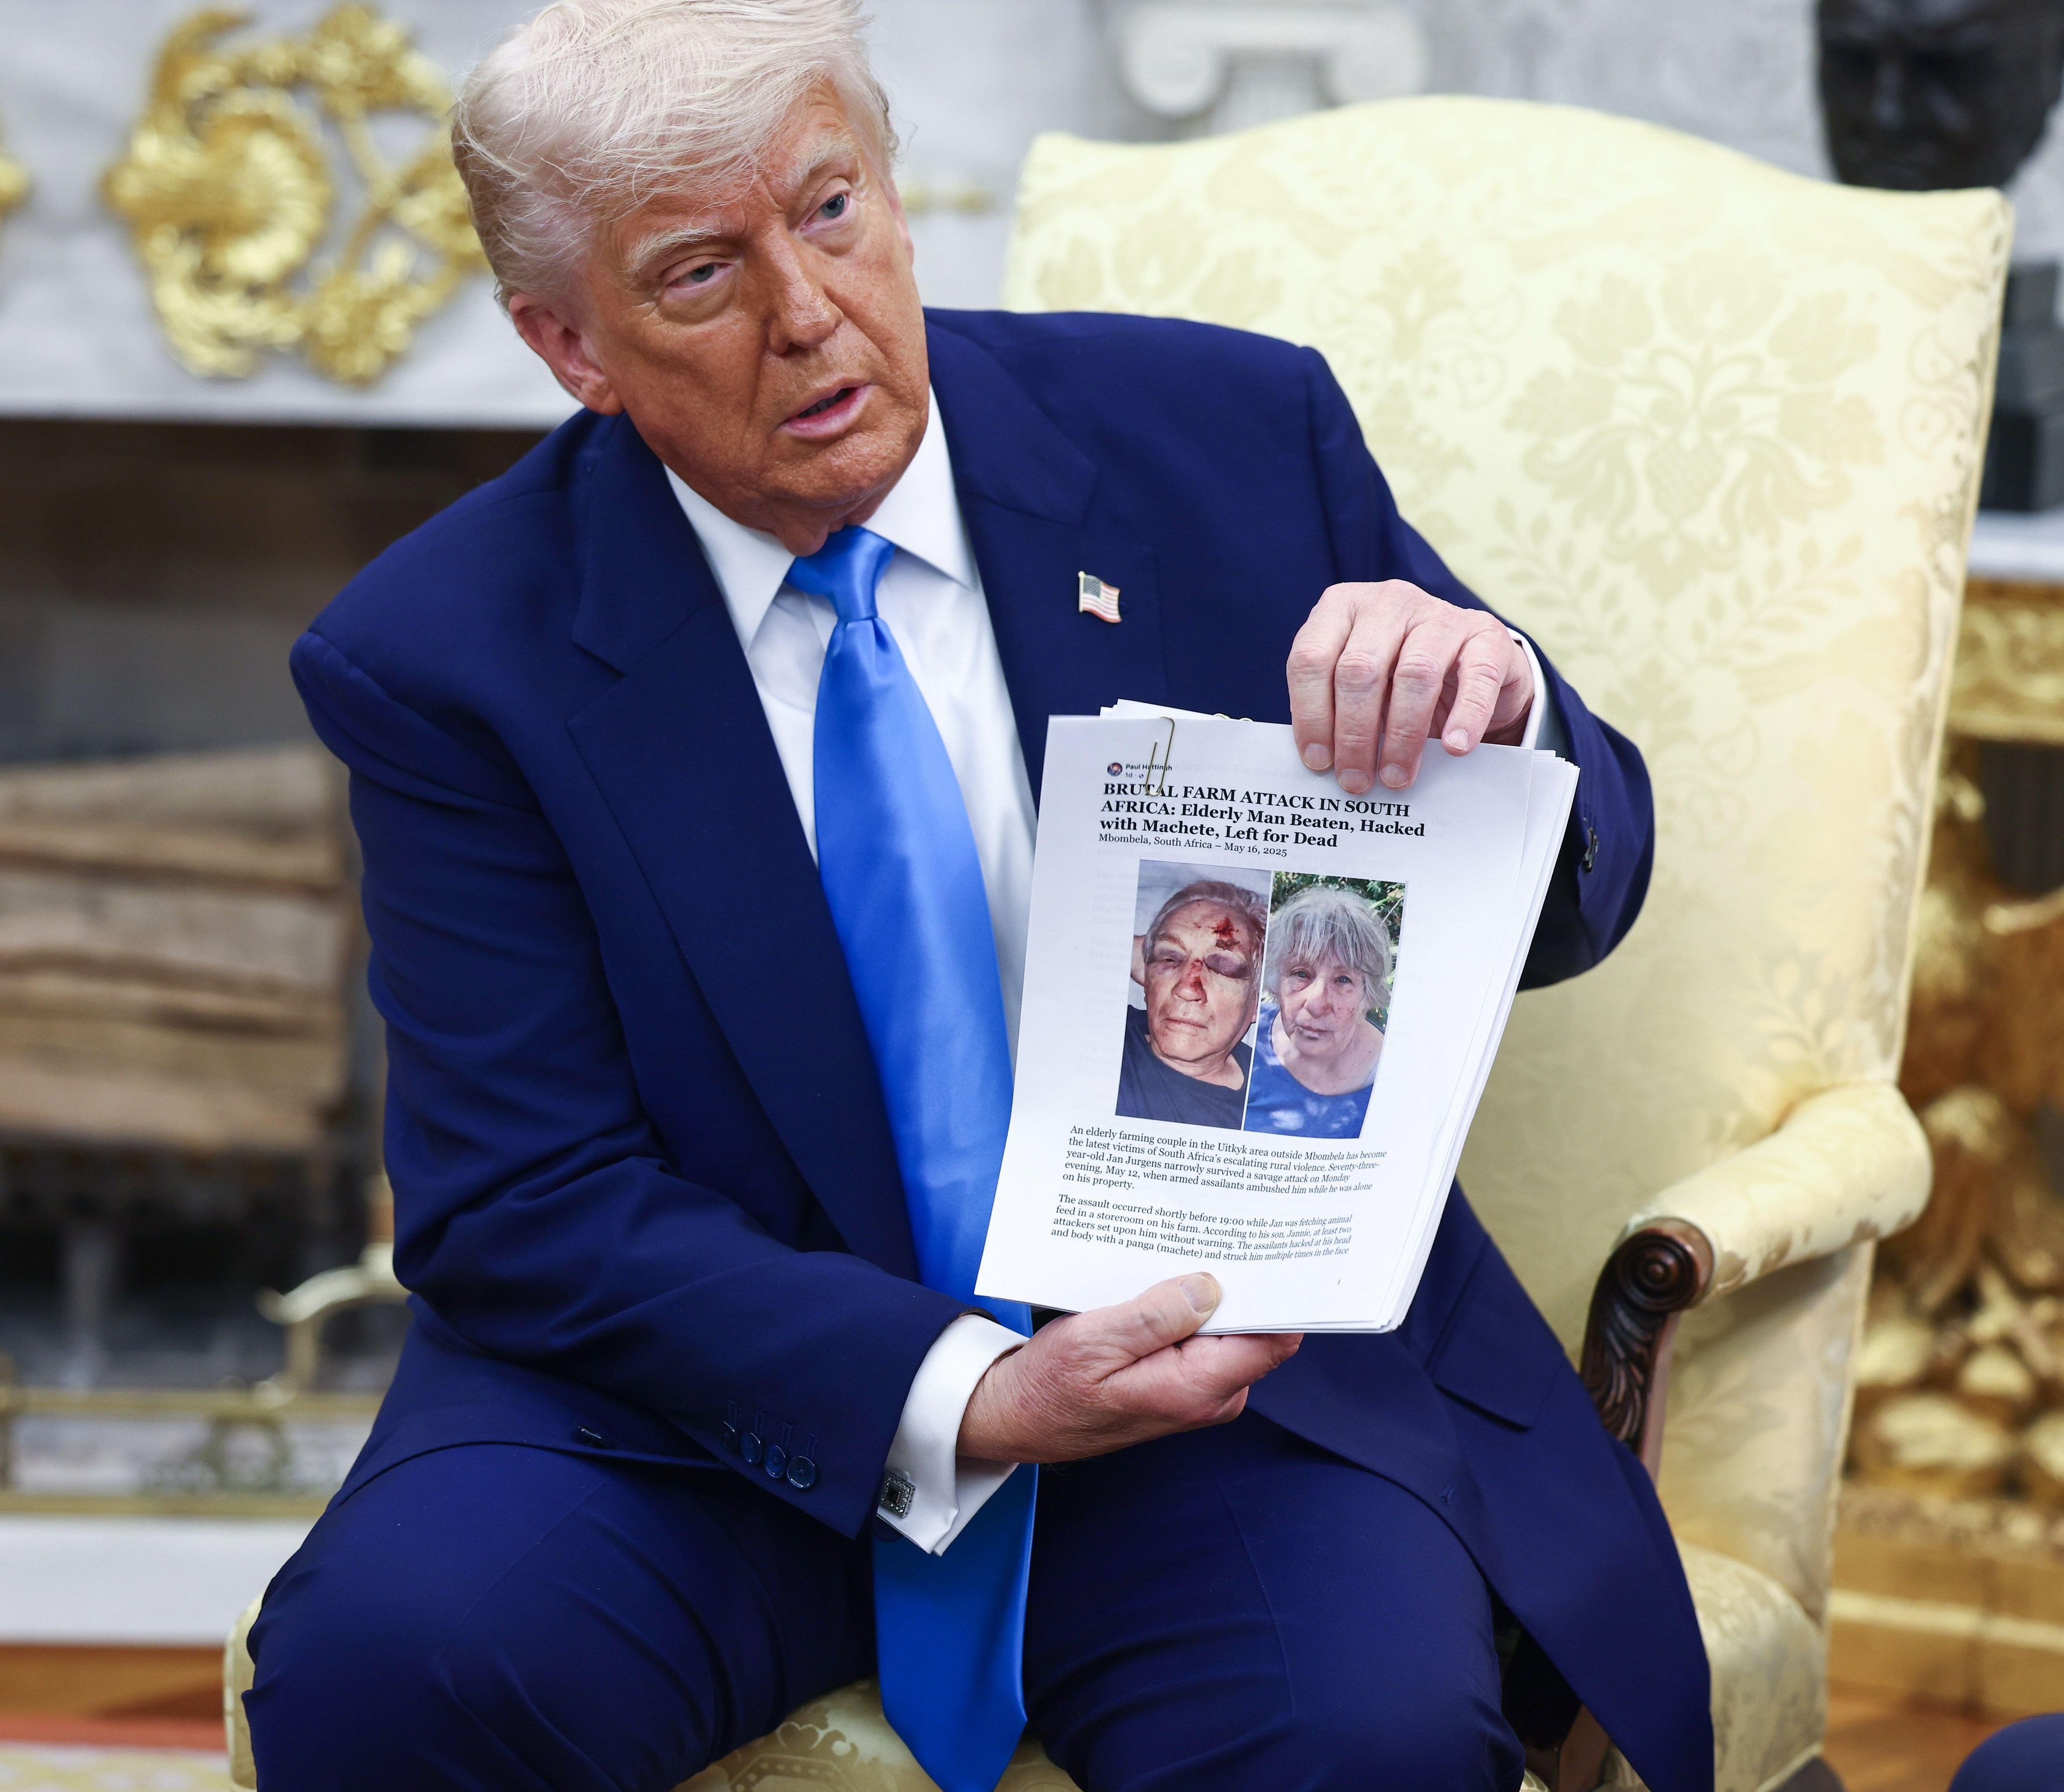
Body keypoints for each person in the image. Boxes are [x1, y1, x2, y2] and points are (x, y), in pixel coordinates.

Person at [243, 4, 1698, 1790]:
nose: (806, 313)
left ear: (891, 185)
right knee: (387, 1674)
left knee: (1362, 1741)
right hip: (696, 1410)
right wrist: (962, 1392)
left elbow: (1577, 893)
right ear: (568, 343)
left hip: (1210, 1379)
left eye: (830, 208)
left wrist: (1501, 706)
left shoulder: (1226, 439)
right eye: (699, 273)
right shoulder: (444, 655)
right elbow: (524, 1195)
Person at [1243, 884, 1392, 1139]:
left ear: (1367, 995)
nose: (1316, 1003)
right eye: (1301, 974)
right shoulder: (1243, 1036)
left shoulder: (1393, 1076)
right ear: (1277, 980)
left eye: (1343, 980)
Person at [1117, 880, 1266, 1129]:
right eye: (1169, 958)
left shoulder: (1276, 1100)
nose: (1187, 989)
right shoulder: (1105, 1034)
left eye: (1223, 966)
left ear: (1256, 1003)